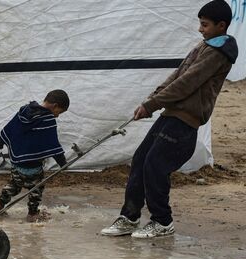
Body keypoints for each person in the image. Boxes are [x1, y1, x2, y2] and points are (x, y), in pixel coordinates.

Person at [101, 0, 238, 238]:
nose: (200, 29)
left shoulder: (218, 53)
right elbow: (177, 75)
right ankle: (130, 217)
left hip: (187, 119)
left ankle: (162, 221)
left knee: (155, 165)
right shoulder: (204, 45)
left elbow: (187, 82)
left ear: (221, 25)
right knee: (140, 159)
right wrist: (151, 100)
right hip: (171, 113)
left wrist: (153, 104)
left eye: (205, 25)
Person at [0, 90, 69, 222]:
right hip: (33, 165)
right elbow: (52, 143)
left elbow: (11, 127)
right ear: (55, 106)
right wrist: (63, 163)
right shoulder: (47, 119)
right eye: (59, 112)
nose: (57, 116)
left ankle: (0, 203)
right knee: (36, 189)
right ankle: (32, 214)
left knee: (14, 185)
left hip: (16, 162)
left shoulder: (25, 111)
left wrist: (0, 141)